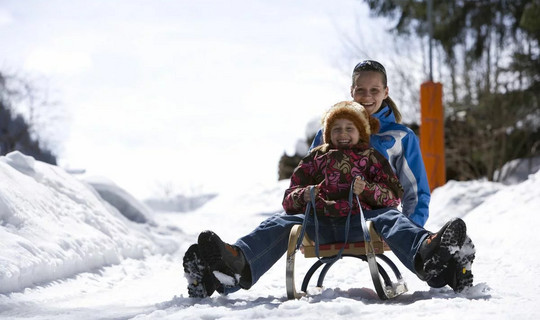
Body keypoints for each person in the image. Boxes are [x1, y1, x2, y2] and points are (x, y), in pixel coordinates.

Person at [183, 61, 475, 298]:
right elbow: (301, 181)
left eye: (375, 89)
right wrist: (306, 195)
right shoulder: (325, 140)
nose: (368, 96)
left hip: (369, 221)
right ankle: (235, 262)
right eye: (361, 90)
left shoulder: (398, 137)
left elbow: (411, 193)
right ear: (352, 92)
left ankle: (430, 252)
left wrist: (414, 232)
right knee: (279, 223)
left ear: (386, 91)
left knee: (391, 217)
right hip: (323, 220)